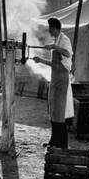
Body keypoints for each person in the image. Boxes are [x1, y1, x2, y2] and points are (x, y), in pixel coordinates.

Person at [33, 17, 73, 148]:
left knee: (59, 112)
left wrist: (55, 47)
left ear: (55, 28)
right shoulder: (57, 40)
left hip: (62, 79)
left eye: (50, 29)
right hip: (55, 78)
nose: (49, 31)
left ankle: (62, 144)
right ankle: (54, 140)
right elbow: (54, 63)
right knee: (53, 111)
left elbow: (68, 54)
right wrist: (41, 60)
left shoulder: (64, 40)